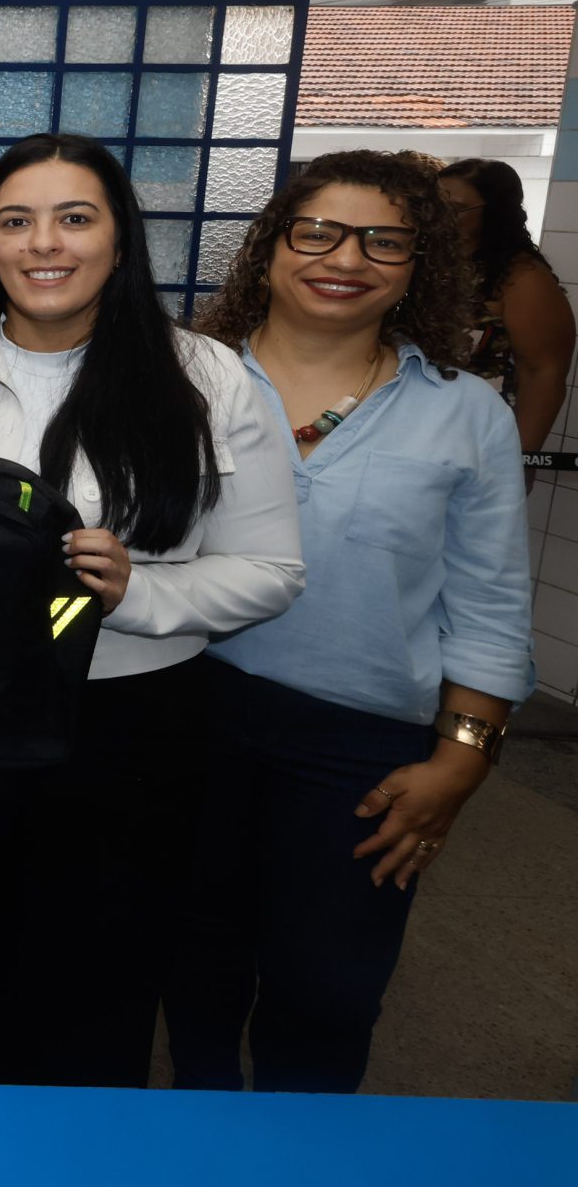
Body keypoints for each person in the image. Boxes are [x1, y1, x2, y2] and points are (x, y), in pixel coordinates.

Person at [0, 132, 304, 1087]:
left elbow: (272, 570)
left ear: (119, 238)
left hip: (127, 724)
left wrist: (142, 593)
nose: (43, 244)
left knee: (94, 977)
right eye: (15, 221)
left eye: (74, 218)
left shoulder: (205, 376)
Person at [172, 150, 533, 1095]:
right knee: (194, 968)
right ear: (271, 247)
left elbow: (492, 605)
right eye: (318, 232)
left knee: (327, 992)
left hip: (361, 748)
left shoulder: (467, 414)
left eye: (384, 241)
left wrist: (462, 760)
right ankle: (205, 1139)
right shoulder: (181, 380)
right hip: (188, 715)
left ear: (419, 265)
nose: (345, 258)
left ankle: (305, 1153)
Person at [436, 158, 572, 459]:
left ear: (494, 212)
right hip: (416, 433)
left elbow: (542, 373)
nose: (439, 217)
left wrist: (521, 458)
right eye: (434, 205)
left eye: (455, 208)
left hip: (479, 442)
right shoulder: (432, 265)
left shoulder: (521, 277)